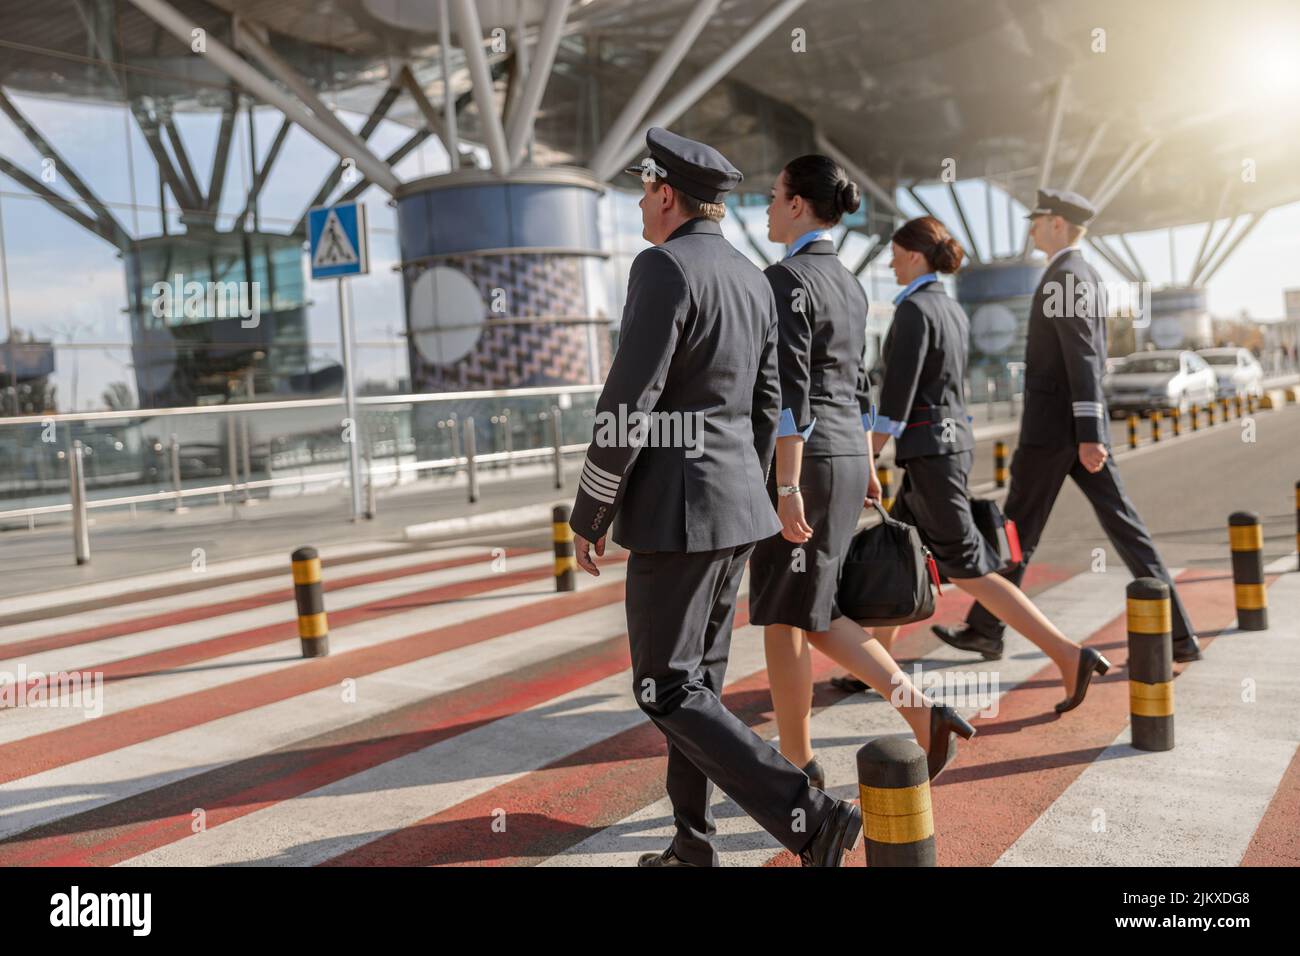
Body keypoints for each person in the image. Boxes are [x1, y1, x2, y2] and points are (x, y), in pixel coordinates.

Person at [569, 128, 861, 867]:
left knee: (662, 688)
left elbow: (627, 400)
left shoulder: (663, 268)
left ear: (666, 195)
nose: (640, 202)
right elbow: (770, 405)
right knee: (695, 685)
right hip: (735, 509)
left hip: (678, 514)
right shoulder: (751, 275)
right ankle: (691, 843)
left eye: (643, 191)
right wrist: (748, 486)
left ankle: (810, 815)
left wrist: (591, 510)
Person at [750, 156, 975, 787]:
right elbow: (860, 380)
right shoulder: (847, 281)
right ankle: (879, 728)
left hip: (807, 461)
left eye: (773, 196)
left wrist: (786, 483)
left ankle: (803, 760)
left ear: (798, 205)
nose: (767, 207)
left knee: (789, 611)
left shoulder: (786, 279)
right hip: (845, 452)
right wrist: (867, 463)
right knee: (803, 608)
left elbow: (790, 389)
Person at [933, 189, 1202, 663]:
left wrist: (1091, 434)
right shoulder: (1073, 273)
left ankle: (987, 627)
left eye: (1037, 219)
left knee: (1019, 527)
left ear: (1058, 224)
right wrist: (1089, 432)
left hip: (1055, 433)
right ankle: (1178, 634)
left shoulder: (1067, 277)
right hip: (1069, 432)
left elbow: (1083, 357)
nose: (1031, 227)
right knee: (1100, 527)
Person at [869, 215, 1109, 718]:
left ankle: (1069, 654)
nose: (889, 262)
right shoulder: (950, 308)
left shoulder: (914, 311)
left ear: (914, 255)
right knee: (903, 557)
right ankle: (873, 664)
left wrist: (868, 453)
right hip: (941, 452)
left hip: (930, 455)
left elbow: (897, 397)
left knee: (971, 569)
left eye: (894, 253)